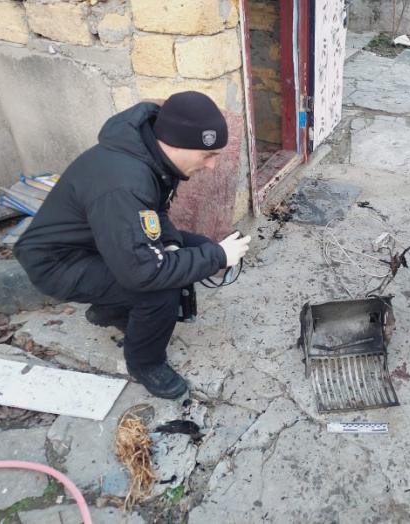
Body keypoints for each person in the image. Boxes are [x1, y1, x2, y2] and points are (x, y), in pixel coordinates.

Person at [14, 91, 251, 399]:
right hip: (58, 262)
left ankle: (112, 310)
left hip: (99, 241)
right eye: (207, 155)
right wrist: (217, 256)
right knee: (161, 290)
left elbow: (155, 211)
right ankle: (145, 364)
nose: (212, 166)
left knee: (194, 247)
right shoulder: (124, 183)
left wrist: (171, 244)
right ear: (177, 144)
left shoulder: (151, 153)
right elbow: (144, 273)